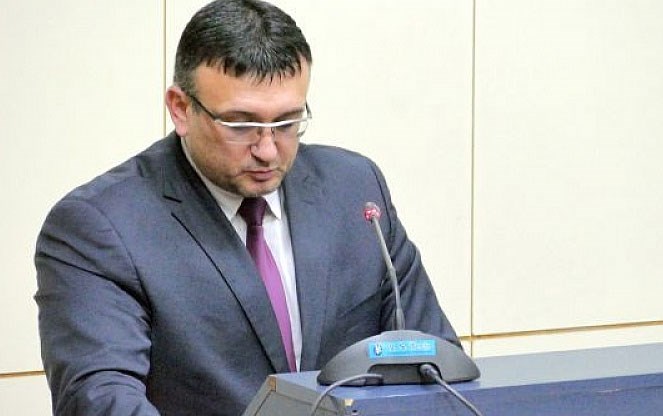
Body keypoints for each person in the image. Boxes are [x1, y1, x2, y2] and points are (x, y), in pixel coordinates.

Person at [34, 0, 459, 414]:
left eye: (287, 122)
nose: (268, 150)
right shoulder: (99, 227)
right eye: (241, 125)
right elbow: (100, 399)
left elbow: (438, 366)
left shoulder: (355, 191)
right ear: (181, 109)